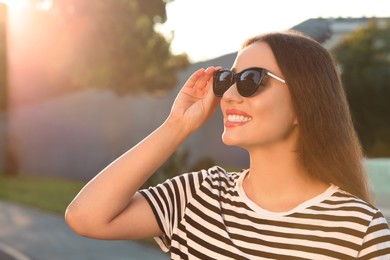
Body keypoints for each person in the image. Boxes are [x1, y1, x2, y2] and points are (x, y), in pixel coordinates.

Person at [65, 30, 390, 259]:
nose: (230, 95)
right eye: (228, 80)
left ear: (305, 102)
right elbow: (86, 217)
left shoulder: (359, 229)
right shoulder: (198, 195)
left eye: (251, 80)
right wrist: (177, 126)